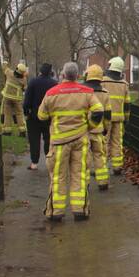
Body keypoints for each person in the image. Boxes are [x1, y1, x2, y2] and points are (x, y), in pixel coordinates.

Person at [36, 62, 103, 222]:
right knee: (79, 175)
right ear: (78, 76)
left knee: (58, 177)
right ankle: (80, 211)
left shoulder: (52, 93)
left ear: (63, 75)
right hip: (80, 140)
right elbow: (98, 110)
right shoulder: (87, 92)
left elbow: (41, 116)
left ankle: (56, 212)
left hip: (59, 142)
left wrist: (53, 123)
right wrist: (89, 126)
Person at [23, 63, 57, 171]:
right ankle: (49, 161)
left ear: (40, 71)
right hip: (49, 117)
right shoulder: (54, 84)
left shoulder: (33, 82)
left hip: (34, 116)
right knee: (49, 139)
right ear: (50, 72)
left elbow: (27, 101)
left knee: (34, 140)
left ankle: (34, 163)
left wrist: (26, 113)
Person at [83, 64, 112, 190]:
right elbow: (107, 113)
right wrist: (106, 128)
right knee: (99, 156)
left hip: (84, 131)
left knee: (84, 157)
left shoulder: (82, 91)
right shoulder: (105, 93)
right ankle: (103, 182)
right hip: (99, 131)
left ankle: (85, 183)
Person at [100, 57, 130, 176]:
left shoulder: (102, 82)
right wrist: (126, 118)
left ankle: (103, 167)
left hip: (105, 119)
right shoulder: (124, 84)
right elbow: (127, 104)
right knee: (117, 143)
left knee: (104, 142)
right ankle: (117, 167)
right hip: (119, 119)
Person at [0, 61, 28, 136]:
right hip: (17, 99)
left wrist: (5, 62)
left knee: (7, 113)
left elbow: (4, 68)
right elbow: (25, 88)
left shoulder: (9, 73)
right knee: (19, 114)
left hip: (7, 97)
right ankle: (22, 131)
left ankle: (7, 131)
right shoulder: (23, 79)